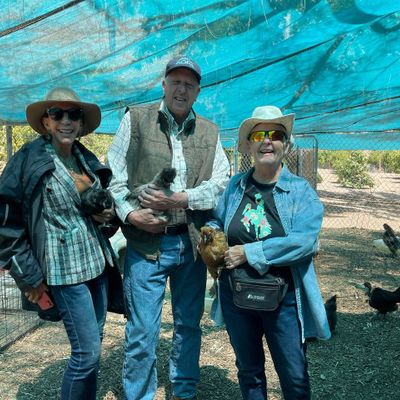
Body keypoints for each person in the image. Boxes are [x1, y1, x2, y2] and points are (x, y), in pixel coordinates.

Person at [107, 55, 230, 399]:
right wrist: (132, 216)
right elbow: (113, 177)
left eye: (189, 84)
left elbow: (221, 183)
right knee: (142, 330)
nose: (181, 89)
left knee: (188, 325)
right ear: (163, 85)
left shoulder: (209, 132)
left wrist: (180, 199)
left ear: (198, 92)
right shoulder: (136, 119)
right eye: (176, 82)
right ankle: (139, 394)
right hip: (146, 245)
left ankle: (183, 391)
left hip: (190, 244)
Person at [0, 87, 119, 400]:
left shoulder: (85, 158)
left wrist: (108, 215)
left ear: (80, 123)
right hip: (64, 272)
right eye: (57, 113)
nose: (66, 120)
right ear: (46, 122)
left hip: (97, 264)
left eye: (73, 114)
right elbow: (6, 224)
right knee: (87, 353)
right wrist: (29, 276)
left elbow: (105, 211)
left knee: (95, 344)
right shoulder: (29, 159)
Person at [206, 106, 331, 399]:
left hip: (284, 299)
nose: (266, 141)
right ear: (249, 145)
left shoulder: (300, 192)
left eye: (275, 134)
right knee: (249, 372)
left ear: (285, 144)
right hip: (237, 295)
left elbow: (305, 243)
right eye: (258, 135)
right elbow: (218, 219)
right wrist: (210, 233)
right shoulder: (235, 186)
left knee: (294, 375)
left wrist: (249, 252)